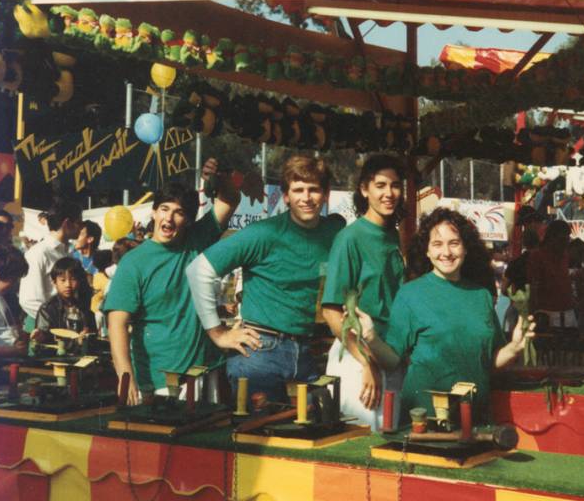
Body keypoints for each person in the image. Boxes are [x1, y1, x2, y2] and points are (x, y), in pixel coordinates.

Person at [187, 155, 345, 404]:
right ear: (285, 196)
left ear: (325, 194)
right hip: (259, 353)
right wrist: (218, 333)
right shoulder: (263, 233)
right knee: (260, 436)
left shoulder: (334, 233)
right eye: (298, 190)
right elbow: (198, 270)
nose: (306, 198)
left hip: (305, 352)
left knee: (313, 434)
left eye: (313, 190)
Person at [359, 208, 535, 422]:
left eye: (454, 243)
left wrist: (515, 346)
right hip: (424, 418)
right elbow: (392, 360)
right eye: (437, 244)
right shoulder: (410, 294)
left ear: (465, 248)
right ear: (426, 251)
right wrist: (371, 337)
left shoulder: (481, 296)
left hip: (476, 416)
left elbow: (488, 362)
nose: (447, 252)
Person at [104, 159, 240, 404]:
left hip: (207, 371)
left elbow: (230, 200)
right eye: (165, 209)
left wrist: (216, 178)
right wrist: (127, 377)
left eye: (179, 212)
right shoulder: (133, 262)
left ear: (187, 219)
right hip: (161, 381)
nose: (169, 218)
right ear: (154, 212)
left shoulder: (197, 238)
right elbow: (117, 324)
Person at [321, 154, 406, 428]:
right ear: (364, 190)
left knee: (390, 448)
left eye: (395, 185)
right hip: (359, 359)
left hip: (391, 356)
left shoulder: (395, 236)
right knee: (360, 449)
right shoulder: (350, 238)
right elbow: (332, 312)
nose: (389, 193)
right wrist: (366, 363)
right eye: (380, 185)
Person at [18, 198, 83, 333]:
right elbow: (28, 300)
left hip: (65, 326)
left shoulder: (67, 253)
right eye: (78, 222)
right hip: (41, 328)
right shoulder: (38, 253)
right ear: (67, 223)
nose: (81, 227)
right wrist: (54, 321)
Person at [30, 256, 97, 350]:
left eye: (73, 279)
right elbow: (44, 343)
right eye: (63, 280)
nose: (68, 285)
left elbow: (93, 334)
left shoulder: (84, 305)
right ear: (54, 282)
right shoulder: (48, 309)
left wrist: (88, 337)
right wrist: (40, 337)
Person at [527, 220, 577, 335]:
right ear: (552, 238)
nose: (566, 242)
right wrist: (532, 314)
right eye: (562, 239)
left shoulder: (565, 255)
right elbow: (533, 287)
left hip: (568, 312)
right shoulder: (537, 256)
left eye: (567, 238)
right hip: (546, 313)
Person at [0, 244, 29, 357]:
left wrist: (23, 335)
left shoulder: (0, 297)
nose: (16, 284)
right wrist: (11, 350)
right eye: (13, 279)